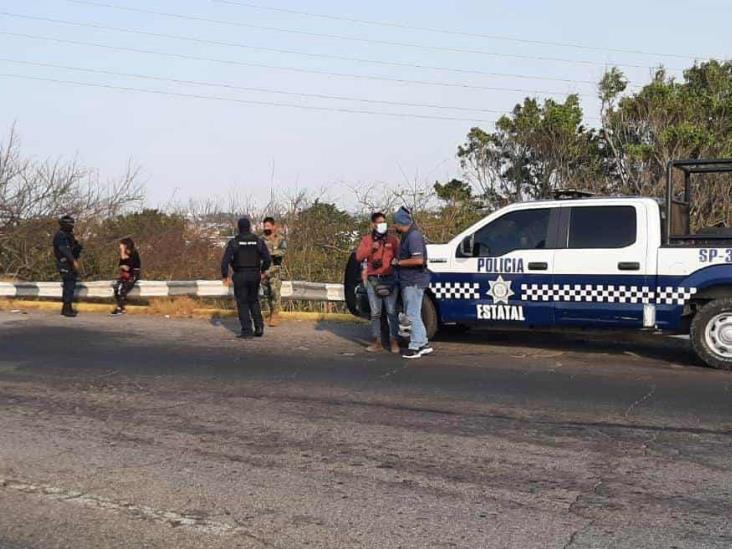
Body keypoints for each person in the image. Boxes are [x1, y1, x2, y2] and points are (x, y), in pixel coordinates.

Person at [355, 212, 401, 353]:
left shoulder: (393, 240)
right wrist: (371, 249)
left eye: (383, 222)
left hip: (390, 279)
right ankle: (377, 341)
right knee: (375, 313)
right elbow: (358, 256)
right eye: (379, 222)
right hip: (373, 279)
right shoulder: (367, 240)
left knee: (392, 312)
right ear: (373, 224)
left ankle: (394, 341)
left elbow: (400, 256)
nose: (382, 225)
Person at [392, 207, 433, 359]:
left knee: (412, 314)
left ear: (400, 222)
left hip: (413, 281)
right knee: (414, 313)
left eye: (395, 223)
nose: (394, 227)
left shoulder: (413, 236)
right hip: (409, 280)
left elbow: (418, 260)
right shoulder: (408, 235)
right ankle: (423, 343)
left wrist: (398, 262)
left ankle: (416, 346)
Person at [221, 217, 272, 339]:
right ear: (249, 227)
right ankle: (259, 327)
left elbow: (225, 261)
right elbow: (268, 259)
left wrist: (225, 276)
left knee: (242, 303)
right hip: (255, 274)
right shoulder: (258, 241)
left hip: (240, 275)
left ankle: (247, 331)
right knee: (254, 300)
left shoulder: (234, 242)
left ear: (238, 228)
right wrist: (262, 271)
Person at [52, 214, 83, 318]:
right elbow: (64, 250)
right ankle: (66, 308)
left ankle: (67, 307)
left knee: (71, 284)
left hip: (70, 263)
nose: (72, 226)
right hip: (64, 262)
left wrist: (78, 243)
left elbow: (75, 249)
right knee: (69, 284)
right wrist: (73, 260)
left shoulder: (69, 235)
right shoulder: (60, 235)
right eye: (70, 224)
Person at [261, 216, 287, 327]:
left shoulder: (280, 239)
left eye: (268, 226)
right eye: (265, 226)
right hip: (264, 270)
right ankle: (269, 313)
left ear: (273, 226)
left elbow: (283, 251)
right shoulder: (260, 240)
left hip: (275, 270)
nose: (266, 228)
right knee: (266, 294)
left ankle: (275, 315)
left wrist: (271, 253)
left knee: (275, 293)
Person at [111, 238, 142, 316]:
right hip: (126, 273)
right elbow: (121, 264)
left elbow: (129, 266)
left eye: (121, 245)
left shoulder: (134, 253)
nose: (120, 247)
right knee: (116, 287)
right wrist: (122, 253)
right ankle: (120, 306)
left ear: (126, 245)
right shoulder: (124, 253)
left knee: (123, 289)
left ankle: (120, 308)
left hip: (133, 273)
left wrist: (124, 265)